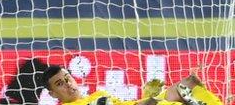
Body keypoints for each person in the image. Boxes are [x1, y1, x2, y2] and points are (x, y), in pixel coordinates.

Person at [41, 65, 224, 105]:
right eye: (59, 84)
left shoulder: (97, 94)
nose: (68, 84)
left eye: (67, 78)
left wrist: (150, 99)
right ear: (53, 94)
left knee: (188, 83)